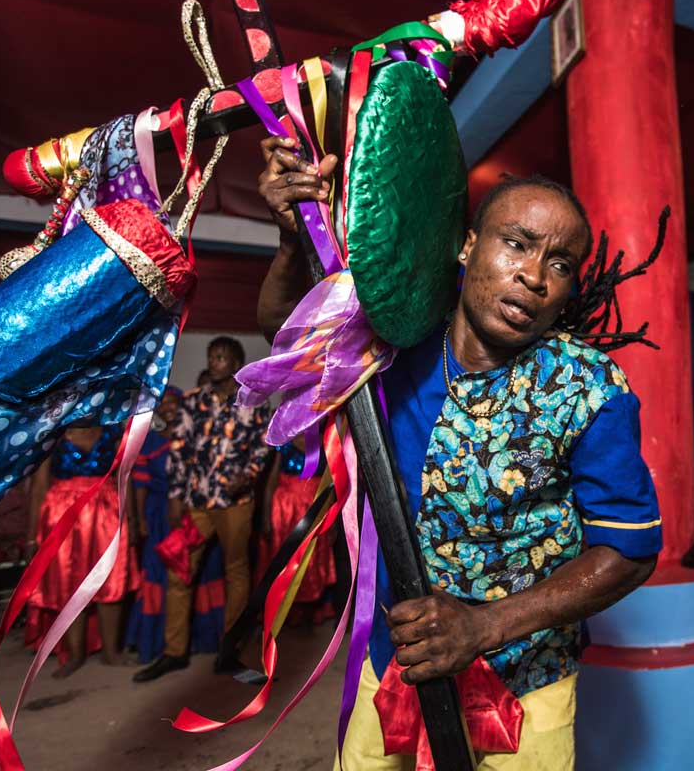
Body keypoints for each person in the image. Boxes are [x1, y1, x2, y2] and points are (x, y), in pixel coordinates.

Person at [256, 137, 662, 769]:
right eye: (517, 243)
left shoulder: (590, 389)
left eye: (560, 264)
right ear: (470, 245)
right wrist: (292, 240)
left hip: (525, 681)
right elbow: (292, 338)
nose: (533, 275)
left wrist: (483, 626)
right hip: (397, 662)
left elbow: (630, 551)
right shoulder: (396, 343)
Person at [133, 337, 270, 682]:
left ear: (236, 362)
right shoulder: (193, 401)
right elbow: (179, 448)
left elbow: (265, 444)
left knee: (237, 573)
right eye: (212, 357)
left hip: (236, 503)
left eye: (222, 357)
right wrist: (176, 496)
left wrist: (249, 475)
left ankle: (230, 653)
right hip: (198, 503)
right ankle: (174, 653)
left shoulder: (254, 401)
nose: (215, 362)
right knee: (180, 572)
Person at [25, 424, 138, 677]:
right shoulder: (52, 436)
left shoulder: (113, 433)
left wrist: (131, 520)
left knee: (111, 583)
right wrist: (32, 538)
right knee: (70, 586)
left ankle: (112, 653)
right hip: (63, 518)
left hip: (107, 514)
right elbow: (39, 489)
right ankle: (75, 655)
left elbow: (124, 477)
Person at [125, 386, 226, 664]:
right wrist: (140, 522)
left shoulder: (196, 435)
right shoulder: (149, 442)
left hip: (195, 511)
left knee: (201, 572)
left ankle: (201, 641)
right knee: (162, 574)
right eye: (163, 404)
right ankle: (162, 645)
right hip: (160, 516)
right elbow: (140, 486)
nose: (168, 407)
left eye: (173, 402)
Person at [255, 436, 336, 624]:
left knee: (310, 561)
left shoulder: (324, 443)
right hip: (284, 510)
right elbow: (271, 481)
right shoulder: (285, 442)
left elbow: (332, 482)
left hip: (313, 506)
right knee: (284, 560)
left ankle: (308, 610)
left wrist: (333, 521)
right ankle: (284, 612)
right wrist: (266, 516)